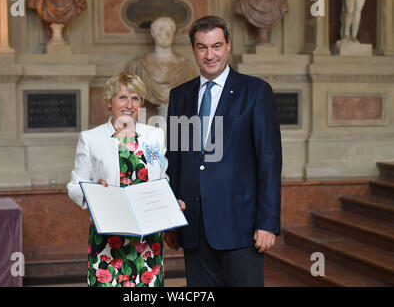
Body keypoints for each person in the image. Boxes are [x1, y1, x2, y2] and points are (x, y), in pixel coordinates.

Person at [164, 16, 282, 287]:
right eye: (202, 47)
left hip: (241, 226)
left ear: (228, 46)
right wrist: (171, 220)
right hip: (194, 228)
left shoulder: (255, 91)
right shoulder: (180, 96)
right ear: (193, 49)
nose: (210, 55)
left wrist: (268, 221)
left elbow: (269, 160)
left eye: (216, 46)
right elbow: (176, 160)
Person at [67, 71, 183, 287]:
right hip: (108, 238)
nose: (129, 104)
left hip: (148, 238)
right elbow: (74, 185)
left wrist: (171, 202)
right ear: (109, 103)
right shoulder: (91, 139)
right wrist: (94, 192)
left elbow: (162, 177)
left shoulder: (153, 136)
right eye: (122, 97)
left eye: (135, 98)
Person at [127, 17, 195, 108]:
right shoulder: (138, 66)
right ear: (153, 33)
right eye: (162, 30)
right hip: (147, 115)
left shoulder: (186, 66)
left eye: (170, 30)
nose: (168, 34)